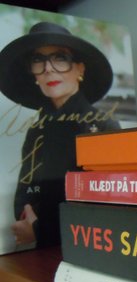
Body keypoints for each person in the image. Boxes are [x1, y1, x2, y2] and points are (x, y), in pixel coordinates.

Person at [0, 22, 120, 248]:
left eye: (60, 58)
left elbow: (108, 204)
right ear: (33, 73)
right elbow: (24, 195)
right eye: (38, 59)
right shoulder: (37, 130)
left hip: (92, 248)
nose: (48, 69)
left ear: (80, 69)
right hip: (43, 253)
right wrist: (29, 220)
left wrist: (40, 229)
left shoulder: (104, 126)